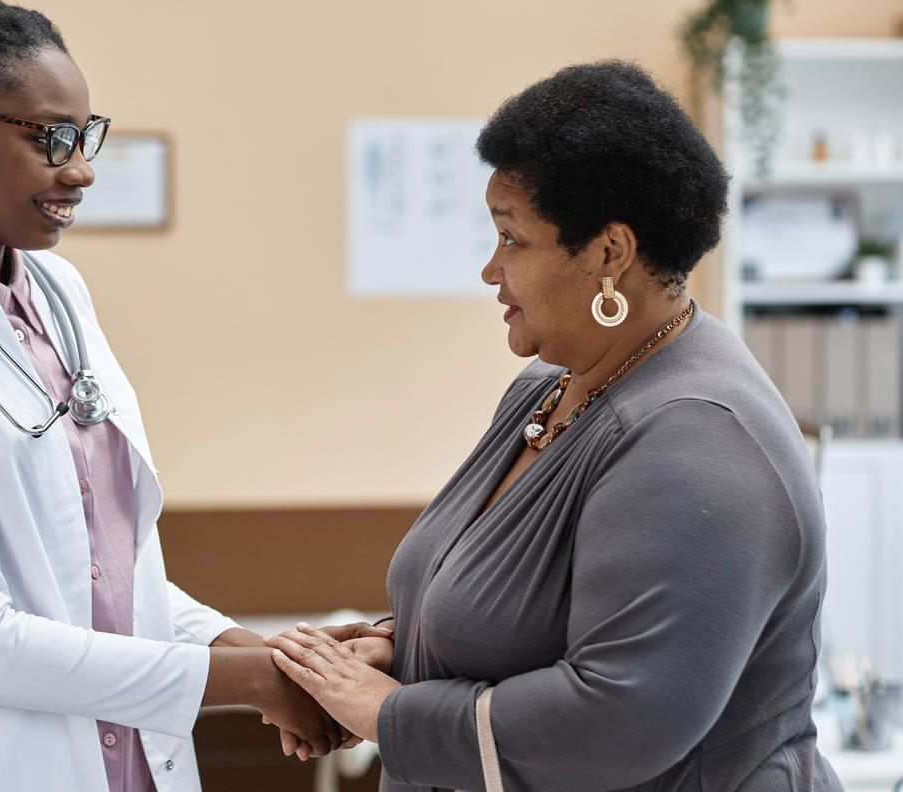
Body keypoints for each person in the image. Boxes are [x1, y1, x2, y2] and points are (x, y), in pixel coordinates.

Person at [0, 3, 382, 790]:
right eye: (49, 138)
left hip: (134, 759)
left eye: (84, 135)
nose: (79, 169)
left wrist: (269, 655)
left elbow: (108, 577)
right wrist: (250, 683)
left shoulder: (60, 292)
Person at [267, 61, 844, 792]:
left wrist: (393, 715)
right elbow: (523, 615)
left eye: (512, 239)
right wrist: (394, 653)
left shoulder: (700, 439)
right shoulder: (547, 389)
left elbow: (619, 717)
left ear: (610, 253)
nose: (490, 270)